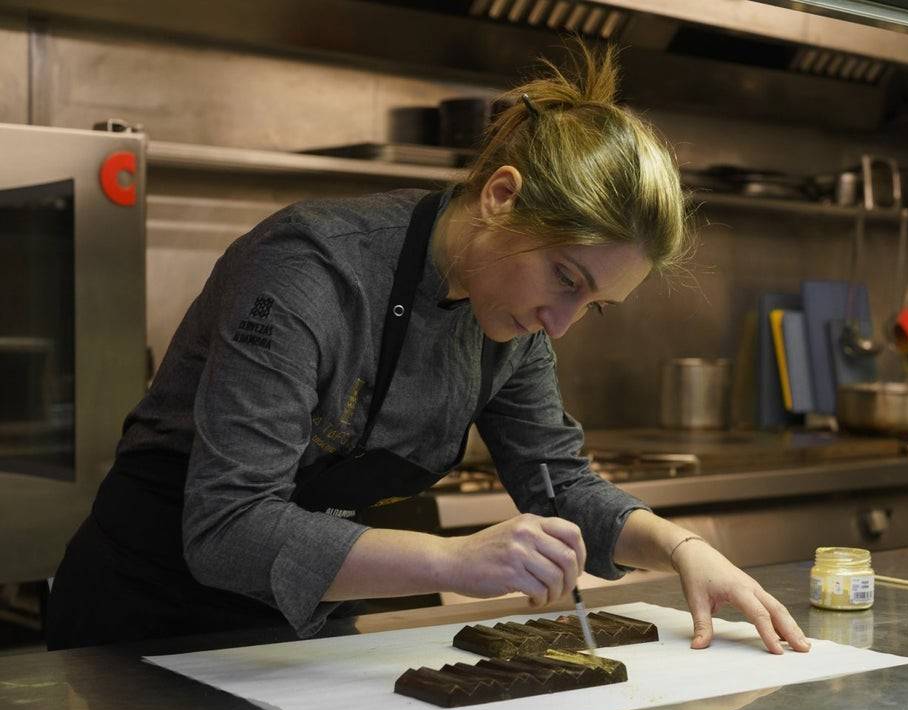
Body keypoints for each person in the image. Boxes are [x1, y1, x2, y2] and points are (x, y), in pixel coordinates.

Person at [46, 43, 810, 655]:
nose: (565, 321)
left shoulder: (510, 321)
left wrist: (681, 550)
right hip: (143, 622)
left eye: (596, 305)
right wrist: (452, 561)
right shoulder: (309, 270)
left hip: (299, 638)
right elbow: (228, 527)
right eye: (566, 278)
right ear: (501, 197)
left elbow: (558, 482)